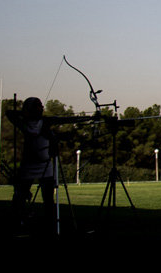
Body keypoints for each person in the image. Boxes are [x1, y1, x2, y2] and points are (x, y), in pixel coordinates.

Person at [5, 96, 94, 234]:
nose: (42, 108)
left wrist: (89, 118)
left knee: (48, 197)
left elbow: (66, 119)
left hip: (45, 165)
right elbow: (9, 113)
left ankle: (49, 223)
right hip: (29, 164)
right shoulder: (24, 122)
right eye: (38, 106)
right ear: (30, 109)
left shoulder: (45, 122)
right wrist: (25, 114)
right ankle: (17, 221)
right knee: (21, 195)